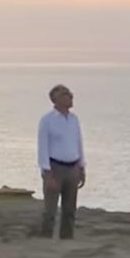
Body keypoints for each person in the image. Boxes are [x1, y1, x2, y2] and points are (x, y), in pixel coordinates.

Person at [37, 84, 86, 239]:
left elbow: (78, 143)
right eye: (66, 94)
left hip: (73, 167)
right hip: (55, 167)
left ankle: (67, 239)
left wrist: (82, 167)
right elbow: (42, 147)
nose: (70, 97)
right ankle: (46, 239)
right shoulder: (47, 120)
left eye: (70, 94)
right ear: (55, 99)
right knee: (50, 210)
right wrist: (47, 173)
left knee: (70, 208)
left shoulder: (74, 119)